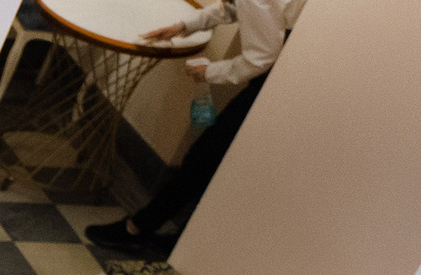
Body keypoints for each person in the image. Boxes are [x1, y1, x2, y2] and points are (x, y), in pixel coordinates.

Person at [86, 0, 307, 260]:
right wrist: (184, 26)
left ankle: (141, 231)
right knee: (212, 158)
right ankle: (174, 239)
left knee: (207, 157)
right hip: (290, 68)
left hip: (282, 79)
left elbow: (263, 55)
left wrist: (212, 72)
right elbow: (237, 8)